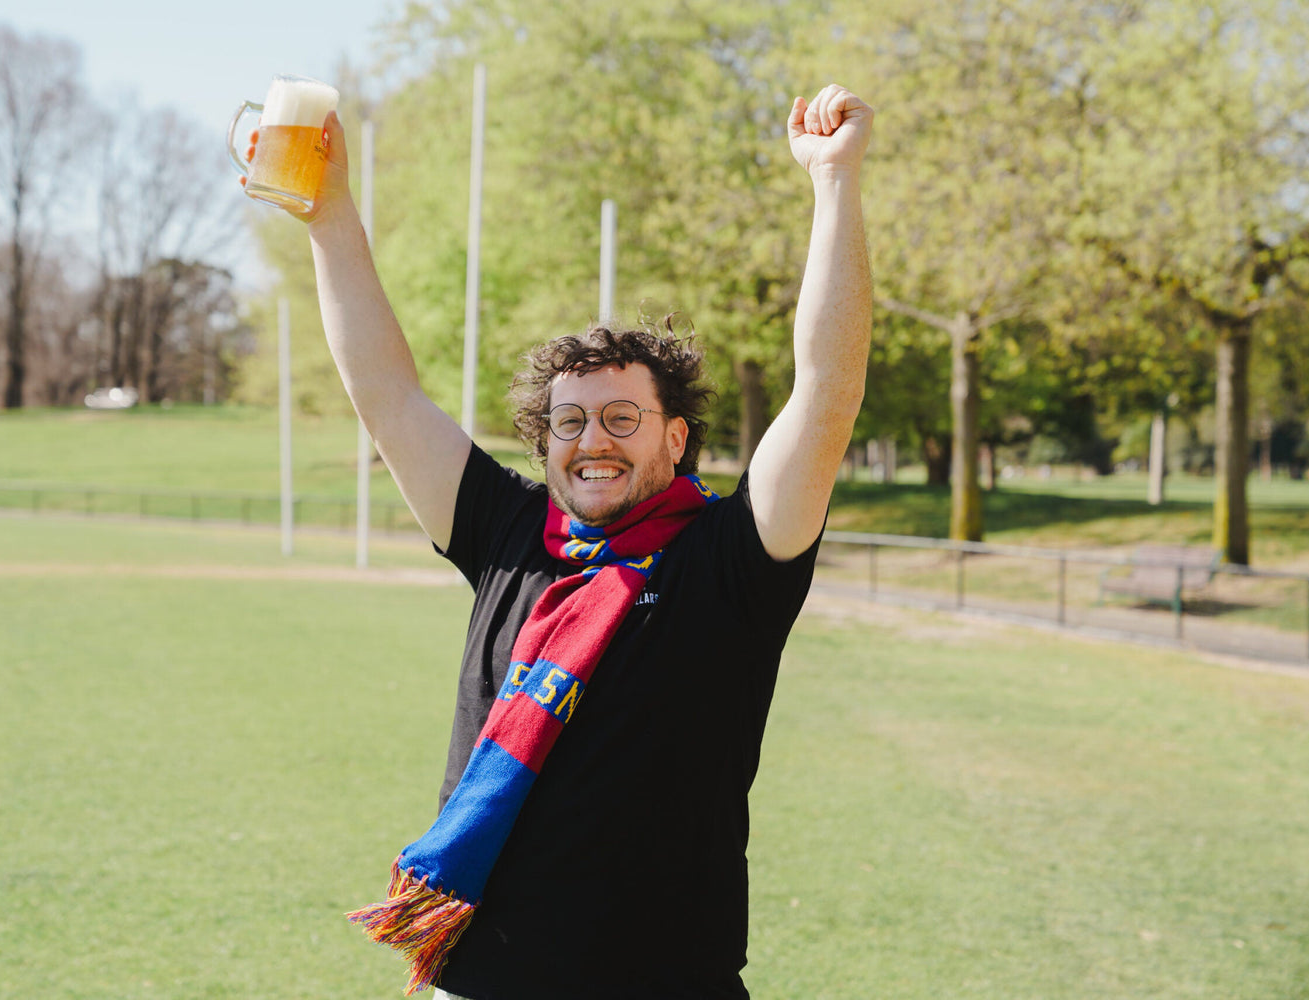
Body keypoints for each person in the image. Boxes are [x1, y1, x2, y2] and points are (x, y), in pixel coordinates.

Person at [242, 83, 872, 999]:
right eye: (570, 423)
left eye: (623, 416)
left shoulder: (731, 562)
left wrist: (835, 184)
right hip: (484, 982)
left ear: (675, 438)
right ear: (544, 447)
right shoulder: (510, 537)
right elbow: (387, 394)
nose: (594, 441)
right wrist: (328, 213)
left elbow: (825, 394)